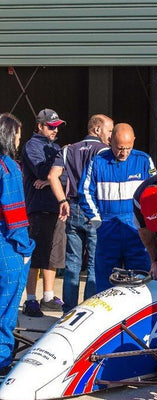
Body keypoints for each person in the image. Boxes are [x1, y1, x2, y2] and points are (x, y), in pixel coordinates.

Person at [78, 122, 157, 292]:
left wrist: (150, 223)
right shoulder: (97, 162)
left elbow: (155, 192)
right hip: (107, 227)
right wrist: (96, 220)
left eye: (128, 148)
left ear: (134, 141)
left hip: (136, 229)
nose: (124, 153)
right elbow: (85, 192)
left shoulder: (143, 160)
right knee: (105, 280)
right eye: (120, 148)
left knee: (140, 280)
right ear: (110, 141)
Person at [48, 114, 113, 313]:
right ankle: (87, 312)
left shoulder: (68, 149)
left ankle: (69, 310)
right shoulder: (104, 151)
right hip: (95, 209)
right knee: (94, 263)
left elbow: (52, 176)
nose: (111, 136)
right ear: (97, 129)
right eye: (109, 130)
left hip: (73, 206)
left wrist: (62, 201)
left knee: (72, 263)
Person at [20, 108, 66, 317]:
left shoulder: (55, 148)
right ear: (40, 126)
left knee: (54, 254)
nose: (55, 130)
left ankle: (48, 296)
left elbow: (66, 176)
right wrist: (53, 175)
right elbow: (42, 171)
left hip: (56, 207)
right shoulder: (32, 146)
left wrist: (50, 180)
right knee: (36, 254)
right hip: (38, 208)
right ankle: (31, 299)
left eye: (57, 127)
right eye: (51, 126)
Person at [0, 113, 35, 375]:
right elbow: (15, 215)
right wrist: (25, 249)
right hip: (7, 247)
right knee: (6, 310)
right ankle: (2, 362)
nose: (19, 141)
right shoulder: (8, 168)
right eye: (18, 136)